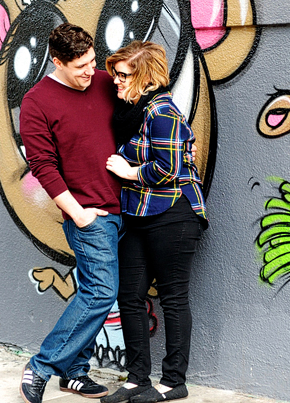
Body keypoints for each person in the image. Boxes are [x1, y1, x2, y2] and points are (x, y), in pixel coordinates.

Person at [18, 23, 122, 403]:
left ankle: (75, 373)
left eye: (92, 61)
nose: (89, 72)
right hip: (90, 215)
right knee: (100, 292)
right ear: (57, 61)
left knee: (101, 294)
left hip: (128, 208)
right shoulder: (37, 101)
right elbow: (43, 166)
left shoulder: (104, 81)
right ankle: (42, 366)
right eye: (79, 66)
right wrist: (78, 214)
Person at [103, 41, 207, 403]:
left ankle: (173, 382)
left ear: (144, 78)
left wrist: (130, 171)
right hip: (139, 213)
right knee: (128, 295)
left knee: (173, 298)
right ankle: (137, 380)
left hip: (173, 213)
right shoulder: (131, 111)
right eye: (115, 74)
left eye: (123, 75)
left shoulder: (162, 111)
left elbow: (169, 167)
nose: (116, 81)